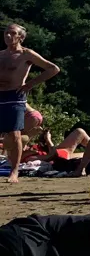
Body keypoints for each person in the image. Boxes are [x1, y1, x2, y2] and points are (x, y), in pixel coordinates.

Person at [0, 24, 61, 184]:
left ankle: (14, 172)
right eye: (6, 33)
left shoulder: (26, 54)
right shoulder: (1, 55)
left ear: (21, 37)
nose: (8, 36)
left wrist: (30, 84)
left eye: (12, 33)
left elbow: (53, 69)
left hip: (15, 96)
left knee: (15, 134)